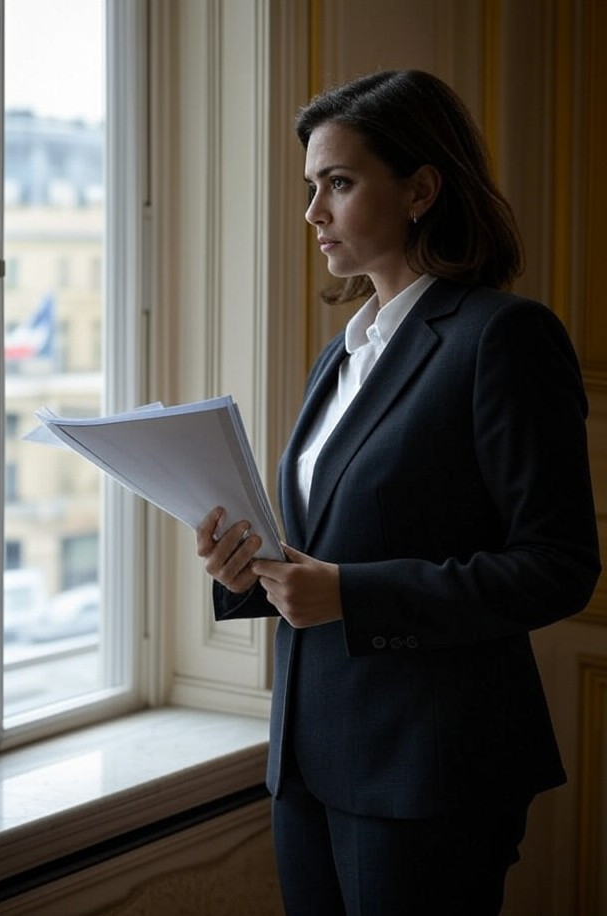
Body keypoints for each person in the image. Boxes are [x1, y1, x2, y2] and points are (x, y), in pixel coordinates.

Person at [195, 70, 601, 915]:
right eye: (312, 187)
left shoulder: (503, 338)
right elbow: (326, 542)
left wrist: (350, 594)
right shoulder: (341, 353)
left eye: (338, 184)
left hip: (431, 771)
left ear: (420, 189)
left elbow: (558, 566)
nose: (313, 213)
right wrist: (247, 572)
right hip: (307, 762)